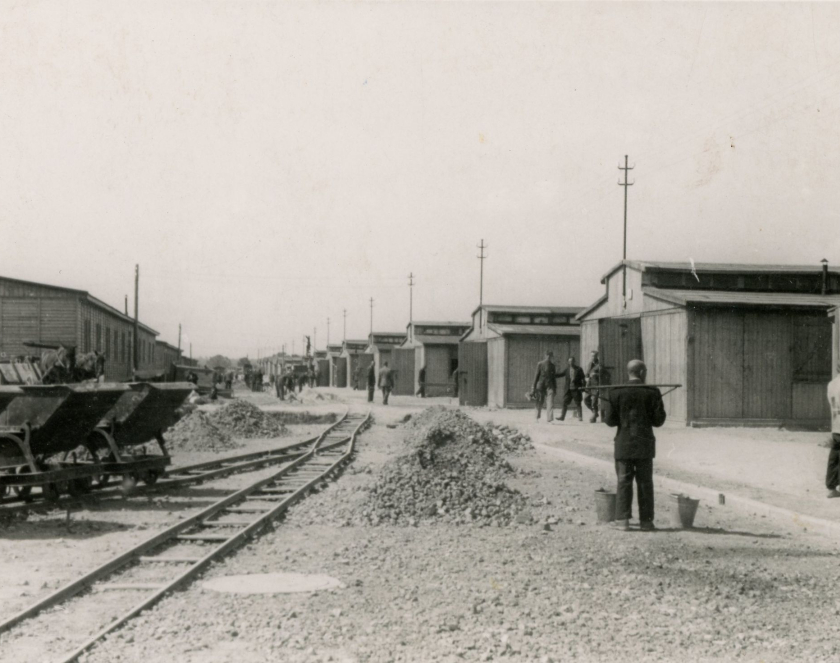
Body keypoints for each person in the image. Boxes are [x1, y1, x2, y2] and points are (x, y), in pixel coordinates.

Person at [605, 359, 667, 531]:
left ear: (628, 372)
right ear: (641, 373)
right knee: (645, 482)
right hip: (644, 445)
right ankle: (646, 522)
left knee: (623, 481)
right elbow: (659, 421)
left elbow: (609, 421)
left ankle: (622, 521)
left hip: (623, 444)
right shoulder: (652, 392)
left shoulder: (615, 392)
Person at [557, 356, 586, 422]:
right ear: (568, 362)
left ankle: (580, 417)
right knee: (565, 402)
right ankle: (562, 417)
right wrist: (552, 374)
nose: (571, 362)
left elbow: (583, 378)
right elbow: (560, 374)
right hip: (568, 390)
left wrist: (583, 387)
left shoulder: (579, 369)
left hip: (576, 389)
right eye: (569, 361)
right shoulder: (567, 370)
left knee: (578, 403)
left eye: (572, 361)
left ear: (574, 361)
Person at [825, 372, 840, 497]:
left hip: (837, 425)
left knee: (835, 457)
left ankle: (831, 488)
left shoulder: (832, 384)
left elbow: (832, 403)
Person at [531, 350, 557, 422]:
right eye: (548, 356)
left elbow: (554, 378)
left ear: (551, 357)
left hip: (550, 386)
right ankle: (536, 417)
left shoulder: (553, 366)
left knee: (550, 402)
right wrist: (533, 387)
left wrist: (555, 388)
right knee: (539, 401)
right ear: (546, 356)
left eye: (550, 356)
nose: (548, 357)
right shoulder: (540, 364)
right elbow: (536, 376)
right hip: (541, 386)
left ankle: (550, 419)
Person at [584, 350, 602, 423]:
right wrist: (586, 378)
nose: (593, 357)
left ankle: (594, 416)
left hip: (596, 385)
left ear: (597, 356)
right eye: (591, 356)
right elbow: (587, 374)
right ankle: (595, 412)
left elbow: (603, 374)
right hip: (589, 385)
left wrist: (596, 375)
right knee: (585, 399)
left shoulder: (600, 364)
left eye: (594, 356)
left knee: (594, 401)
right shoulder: (589, 364)